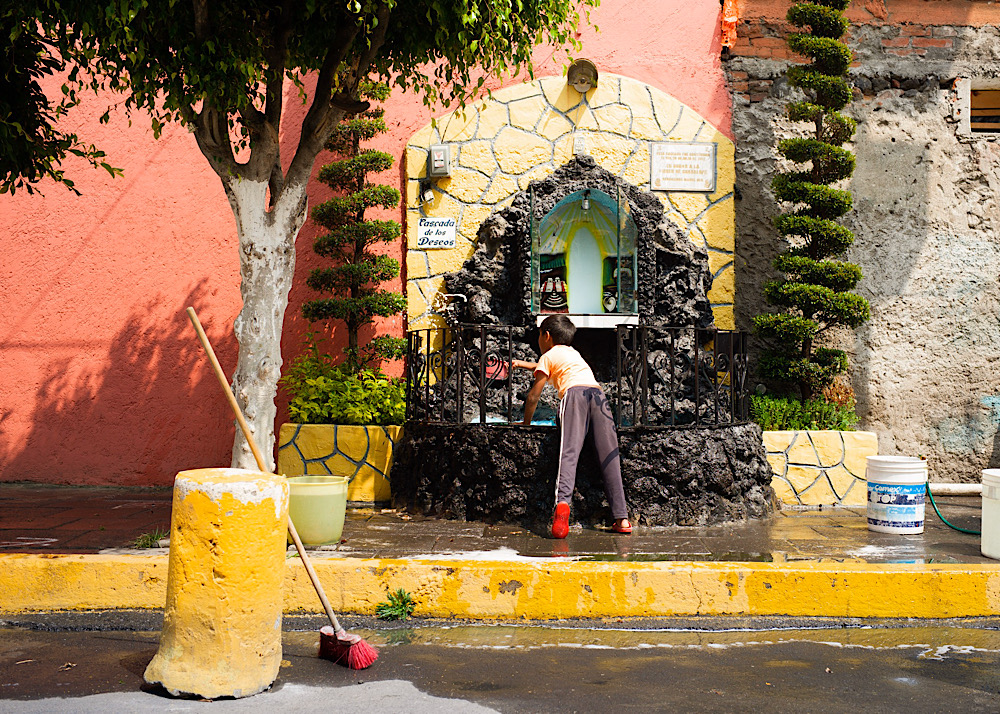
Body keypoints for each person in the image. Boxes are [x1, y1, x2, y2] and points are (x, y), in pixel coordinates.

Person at [511, 314, 631, 538]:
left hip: (574, 396)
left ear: (546, 336)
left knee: (569, 453)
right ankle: (622, 518)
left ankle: (562, 505)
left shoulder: (548, 355)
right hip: (598, 397)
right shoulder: (573, 353)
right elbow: (546, 367)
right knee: (610, 457)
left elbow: (534, 395)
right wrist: (521, 364)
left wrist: (526, 422)